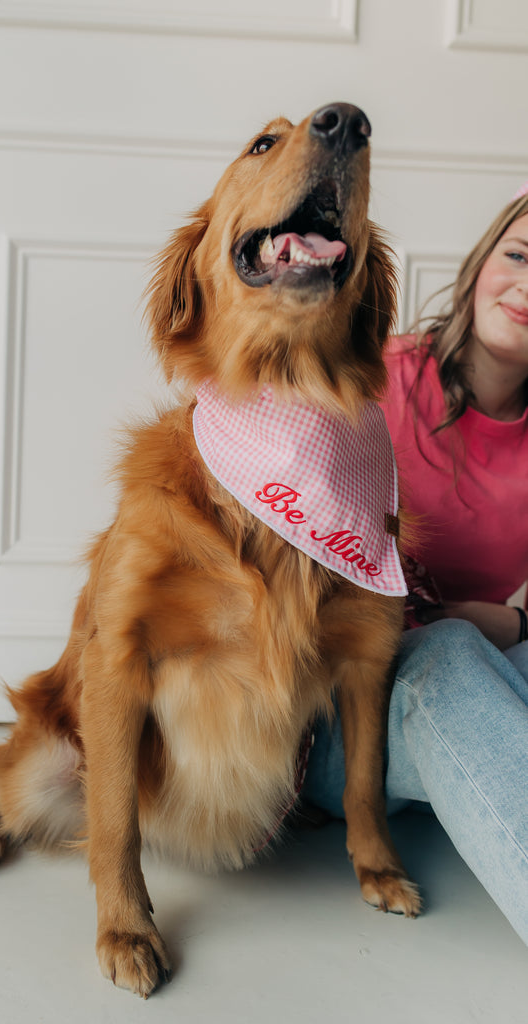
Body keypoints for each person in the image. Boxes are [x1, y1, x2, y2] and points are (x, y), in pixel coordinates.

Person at [303, 182, 528, 944]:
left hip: (483, 690)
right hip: (344, 712)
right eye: (518, 255)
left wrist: (514, 617)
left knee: (472, 647)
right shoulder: (371, 380)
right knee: (452, 651)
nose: (527, 287)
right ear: (479, 262)